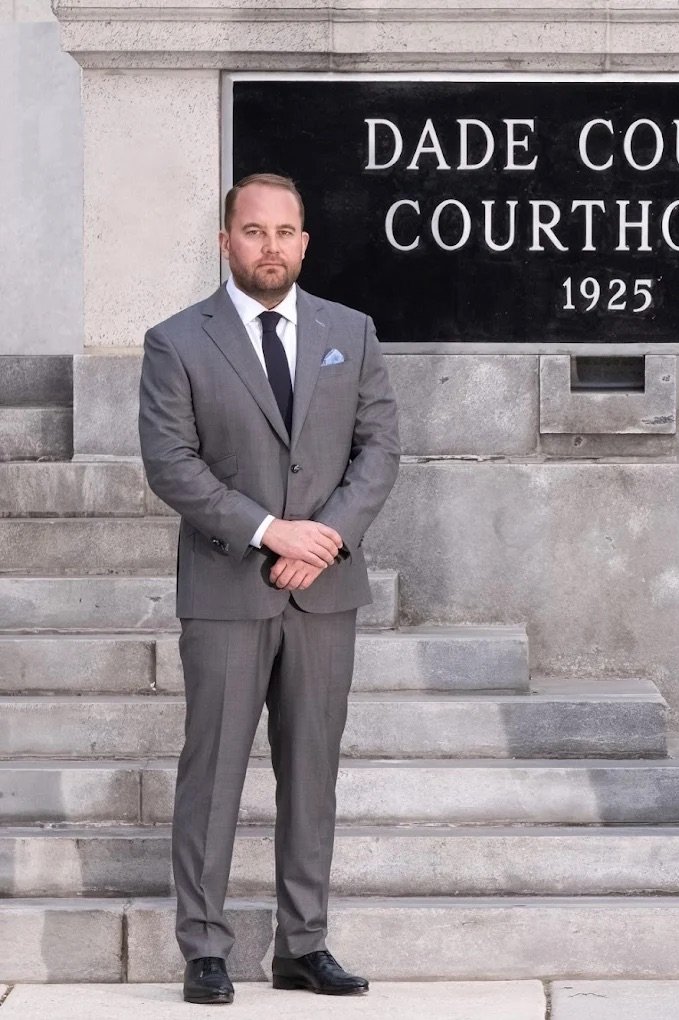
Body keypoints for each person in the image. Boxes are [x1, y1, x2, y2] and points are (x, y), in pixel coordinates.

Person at [138, 173, 401, 1005]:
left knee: (312, 771)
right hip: (225, 589)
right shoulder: (176, 342)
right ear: (226, 240)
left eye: (286, 232)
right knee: (212, 772)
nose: (271, 247)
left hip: (323, 592)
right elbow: (171, 464)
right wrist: (267, 530)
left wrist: (323, 540)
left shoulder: (350, 332)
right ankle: (205, 948)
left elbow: (380, 449)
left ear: (305, 241)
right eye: (255, 232)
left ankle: (303, 944)